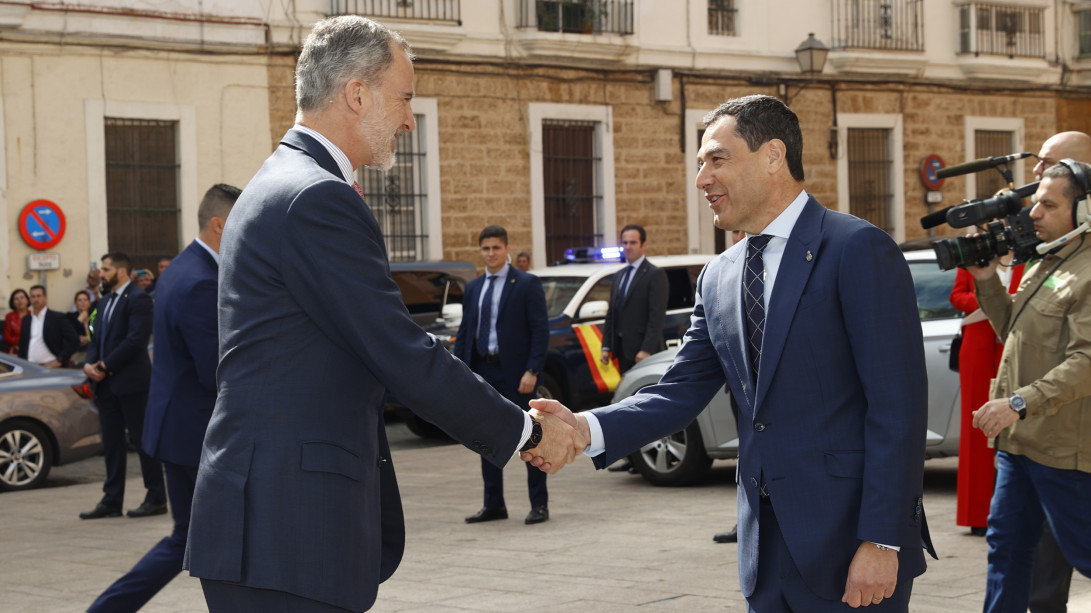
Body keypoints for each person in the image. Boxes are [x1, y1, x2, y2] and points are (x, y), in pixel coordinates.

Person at [184, 16, 582, 613]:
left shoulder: (280, 182)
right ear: (357, 94)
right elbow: (399, 350)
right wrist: (525, 431)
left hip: (271, 527)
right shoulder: (315, 197)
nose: (409, 119)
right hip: (286, 531)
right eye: (404, 97)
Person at [526, 94, 936, 611]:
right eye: (700, 164)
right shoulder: (718, 275)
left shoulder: (857, 248)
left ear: (773, 155)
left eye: (716, 160)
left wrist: (883, 539)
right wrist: (585, 428)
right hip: (763, 552)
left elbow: (897, 408)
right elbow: (680, 391)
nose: (702, 179)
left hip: (851, 546)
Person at [86, 184, 240, 613]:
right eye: (243, 221)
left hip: (178, 427)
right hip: (195, 432)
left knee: (199, 538)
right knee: (199, 538)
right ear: (219, 225)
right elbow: (216, 369)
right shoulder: (201, 280)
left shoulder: (181, 267)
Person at [969, 160, 1091, 613]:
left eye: (1049, 204)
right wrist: (987, 281)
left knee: (1084, 550)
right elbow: (1014, 332)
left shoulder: (1088, 272)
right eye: (1036, 202)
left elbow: (1087, 361)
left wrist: (1019, 402)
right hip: (1019, 445)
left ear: (1084, 211)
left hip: (1063, 449)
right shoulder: (1046, 260)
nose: (1034, 213)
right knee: (1006, 547)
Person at [1025, 130, 1091, 613]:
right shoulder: (1050, 246)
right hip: (1038, 431)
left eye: (1048, 163)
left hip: (1072, 438)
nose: (1036, 172)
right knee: (1028, 556)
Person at [456, 225, 550, 525]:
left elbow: (540, 330)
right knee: (486, 439)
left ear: (507, 249)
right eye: (486, 248)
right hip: (483, 373)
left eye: (496, 247)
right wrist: (460, 371)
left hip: (518, 375)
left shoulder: (526, 283)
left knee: (530, 438)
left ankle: (539, 504)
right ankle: (494, 504)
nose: (491, 253)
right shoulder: (474, 288)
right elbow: (465, 332)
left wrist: (532, 369)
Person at [79, 252, 166, 521]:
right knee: (112, 444)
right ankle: (112, 500)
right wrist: (89, 364)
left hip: (132, 384)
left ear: (121, 272)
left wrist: (105, 366)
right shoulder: (104, 302)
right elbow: (94, 336)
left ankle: (156, 497)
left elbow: (135, 340)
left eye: (106, 269)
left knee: (142, 442)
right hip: (105, 386)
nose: (101, 274)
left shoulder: (139, 299)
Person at [950, 252, 1023, 537]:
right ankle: (977, 514)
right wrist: (986, 299)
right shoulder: (975, 255)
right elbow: (957, 297)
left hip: (1013, 344)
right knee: (976, 428)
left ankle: (1017, 512)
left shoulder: (1026, 254)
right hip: (978, 342)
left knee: (1018, 426)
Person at [599, 224, 668, 474]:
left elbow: (656, 317)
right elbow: (612, 315)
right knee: (627, 406)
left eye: (633, 243)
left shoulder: (654, 275)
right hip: (623, 354)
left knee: (645, 406)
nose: (628, 247)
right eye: (624, 243)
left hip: (644, 356)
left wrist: (646, 349)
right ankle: (632, 457)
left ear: (643, 245)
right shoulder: (619, 276)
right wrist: (606, 345)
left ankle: (648, 457)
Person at [18, 285, 78, 367]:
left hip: (50, 367)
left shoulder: (57, 318)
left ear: (45, 298)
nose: (36, 299)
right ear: (30, 299)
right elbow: (23, 344)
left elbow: (74, 339)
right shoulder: (26, 319)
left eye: (39, 296)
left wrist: (61, 359)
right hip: (29, 366)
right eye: (33, 296)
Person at [67, 290, 95, 366]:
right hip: (77, 352)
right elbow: (70, 334)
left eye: (85, 300)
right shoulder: (70, 317)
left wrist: (88, 338)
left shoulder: (94, 317)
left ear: (89, 303)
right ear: (75, 303)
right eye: (79, 300)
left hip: (92, 351)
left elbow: (96, 334)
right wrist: (80, 319)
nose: (83, 302)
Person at [4, 288, 30, 354]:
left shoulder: (33, 315)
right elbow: (6, 338)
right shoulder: (9, 316)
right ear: (13, 303)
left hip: (31, 352)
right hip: (14, 352)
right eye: (16, 299)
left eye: (22, 298)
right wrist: (24, 340)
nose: (19, 301)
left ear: (27, 300)